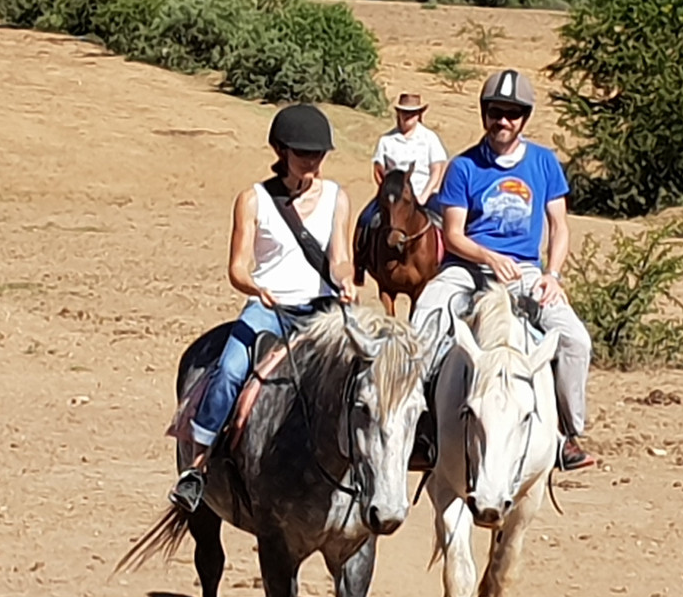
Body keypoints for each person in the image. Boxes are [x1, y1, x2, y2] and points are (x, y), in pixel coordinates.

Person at [169, 104, 357, 511]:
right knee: (230, 370)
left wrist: (345, 280)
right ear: (280, 150)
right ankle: (197, 467)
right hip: (268, 307)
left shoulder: (338, 198)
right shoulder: (252, 200)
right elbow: (237, 267)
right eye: (304, 153)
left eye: (319, 154)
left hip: (322, 310)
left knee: (369, 370)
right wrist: (255, 287)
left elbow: (340, 256)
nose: (313, 161)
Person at [409, 70, 596, 471]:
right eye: (496, 112)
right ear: (484, 114)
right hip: (466, 268)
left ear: (524, 118)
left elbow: (559, 226)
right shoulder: (463, 167)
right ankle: (421, 425)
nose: (503, 121)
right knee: (425, 317)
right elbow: (454, 235)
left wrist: (553, 275)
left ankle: (568, 432)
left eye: (512, 114)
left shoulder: (545, 163)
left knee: (575, 340)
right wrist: (487, 257)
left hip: (526, 272)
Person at [355, 93, 448, 245]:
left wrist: (425, 195)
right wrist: (387, 192)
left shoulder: (430, 138)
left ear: (419, 114)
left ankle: (450, 258)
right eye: (404, 112)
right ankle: (361, 259)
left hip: (424, 192)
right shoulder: (386, 140)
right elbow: (378, 170)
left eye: (412, 113)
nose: (408, 116)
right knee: (366, 219)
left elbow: (437, 169)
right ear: (398, 113)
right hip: (393, 196)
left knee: (447, 220)